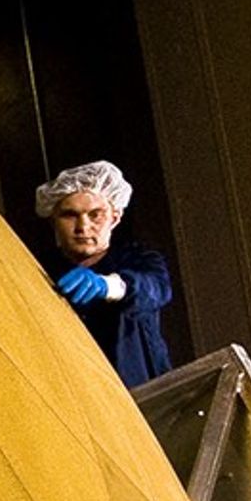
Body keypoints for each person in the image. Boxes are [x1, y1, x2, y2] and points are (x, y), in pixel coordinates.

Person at [36, 160, 173, 388]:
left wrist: (108, 286)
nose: (83, 227)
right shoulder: (41, 269)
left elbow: (154, 289)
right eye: (70, 215)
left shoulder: (139, 260)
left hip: (138, 394)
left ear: (115, 217)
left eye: (95, 215)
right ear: (53, 221)